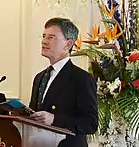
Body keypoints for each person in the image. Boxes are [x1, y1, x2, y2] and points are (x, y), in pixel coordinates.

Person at [29, 17, 98, 147]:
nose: (44, 41)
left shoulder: (82, 79)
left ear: (68, 44)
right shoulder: (39, 77)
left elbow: (90, 123)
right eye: (44, 36)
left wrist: (54, 119)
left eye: (51, 37)